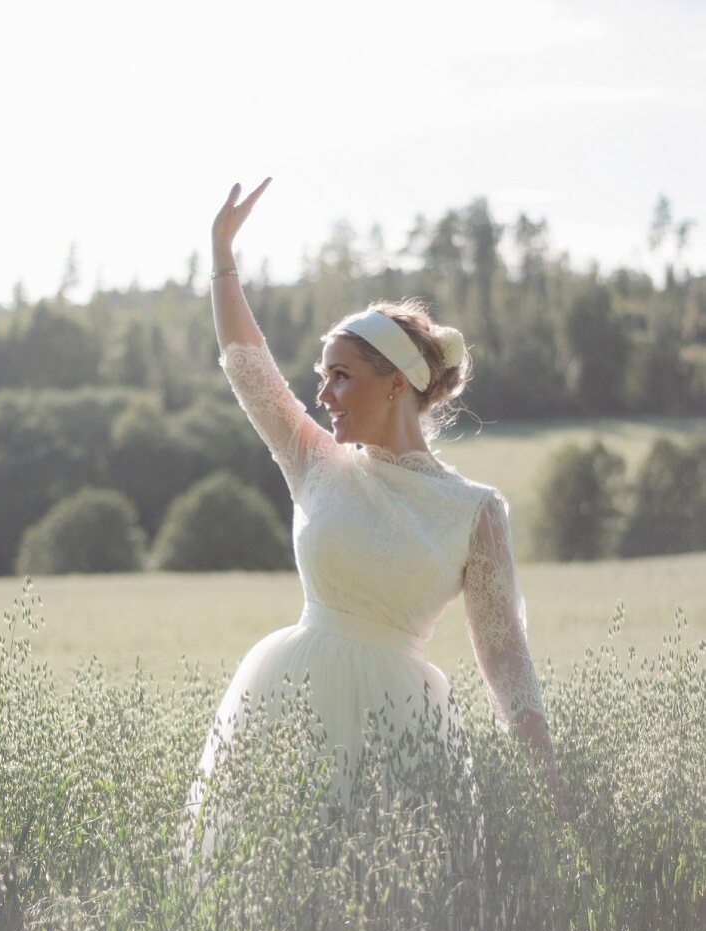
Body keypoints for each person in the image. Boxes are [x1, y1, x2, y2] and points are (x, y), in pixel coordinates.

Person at [188, 177, 569, 852]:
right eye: (321, 376)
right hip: (288, 706)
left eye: (341, 375)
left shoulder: (473, 511)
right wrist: (221, 256)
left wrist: (549, 776)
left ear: (395, 380)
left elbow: (505, 652)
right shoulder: (317, 464)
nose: (323, 393)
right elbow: (249, 369)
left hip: (402, 725)